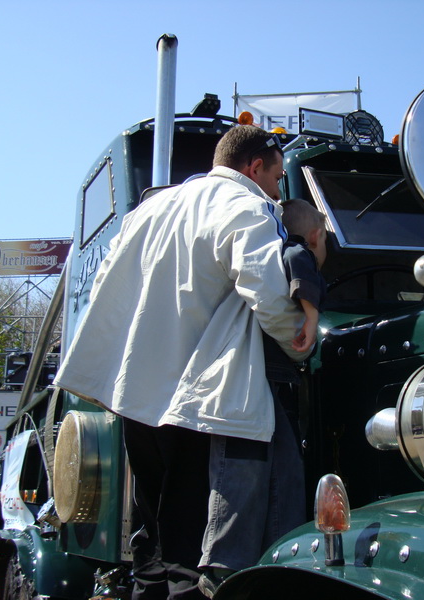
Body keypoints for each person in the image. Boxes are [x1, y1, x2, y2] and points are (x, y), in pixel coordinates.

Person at [54, 125, 311, 600]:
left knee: (153, 549)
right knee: (190, 559)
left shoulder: (147, 210)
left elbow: (107, 286)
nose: (278, 190)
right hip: (198, 405)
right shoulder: (247, 205)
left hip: (136, 402)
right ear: (255, 168)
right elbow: (271, 295)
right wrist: (303, 342)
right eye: (276, 178)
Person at [197, 198, 328, 597]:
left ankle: (270, 558)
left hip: (266, 378)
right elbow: (297, 255)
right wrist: (311, 313)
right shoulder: (295, 247)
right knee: (260, 467)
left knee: (277, 469)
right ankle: (226, 564)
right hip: (267, 378)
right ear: (318, 236)